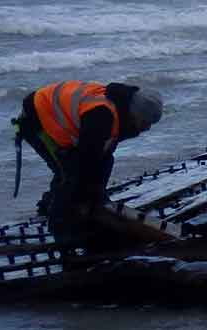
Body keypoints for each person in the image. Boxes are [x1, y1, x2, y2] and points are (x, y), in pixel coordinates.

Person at [12, 81, 163, 245]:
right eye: (144, 123)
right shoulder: (101, 115)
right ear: (134, 114)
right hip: (36, 119)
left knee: (96, 166)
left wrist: (96, 196)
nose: (145, 128)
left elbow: (103, 157)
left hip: (60, 118)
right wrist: (85, 196)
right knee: (69, 174)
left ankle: (53, 207)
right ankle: (60, 229)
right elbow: (86, 162)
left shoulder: (120, 110)